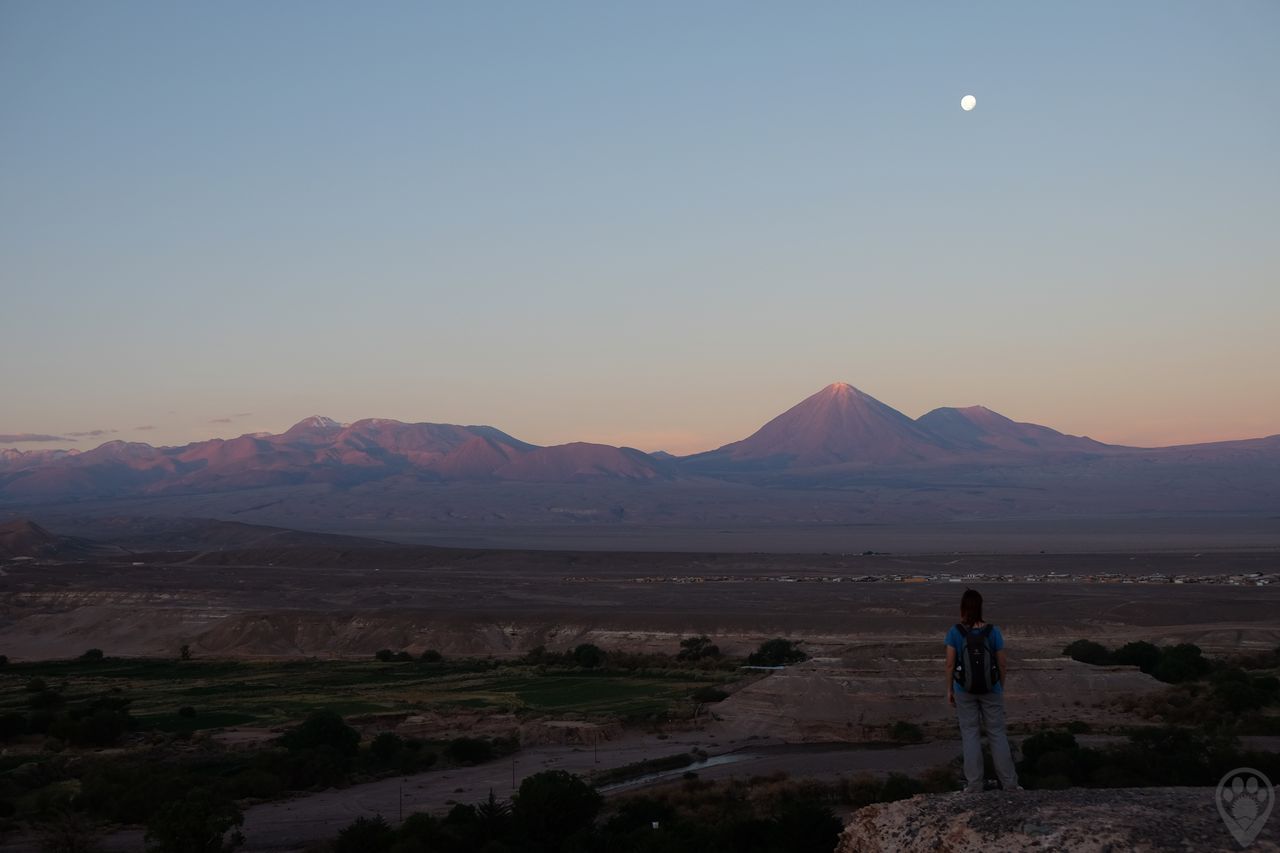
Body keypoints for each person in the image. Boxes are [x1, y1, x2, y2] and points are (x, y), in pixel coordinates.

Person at [945, 588, 1020, 793]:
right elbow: (1002, 663)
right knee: (997, 733)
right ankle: (1009, 783)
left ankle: (974, 785)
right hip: (991, 689)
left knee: (970, 734)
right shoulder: (992, 632)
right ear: (980, 607)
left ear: (962, 608)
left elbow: (950, 664)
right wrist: (999, 686)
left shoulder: (955, 632)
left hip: (964, 690)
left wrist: (949, 689)